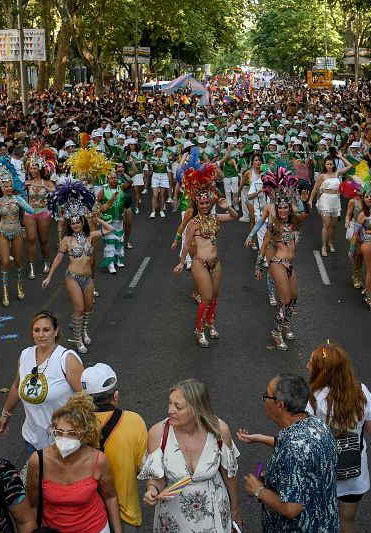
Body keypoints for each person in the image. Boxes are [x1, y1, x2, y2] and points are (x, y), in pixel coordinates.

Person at [139, 378, 242, 532]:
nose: (170, 410)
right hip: (173, 520)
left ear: (197, 409)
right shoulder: (158, 433)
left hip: (214, 513)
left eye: (178, 406)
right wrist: (152, 489)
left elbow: (229, 474)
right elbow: (156, 478)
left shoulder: (219, 431)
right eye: (170, 403)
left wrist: (235, 509)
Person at [243, 373, 338, 532]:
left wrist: (257, 489)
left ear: (279, 405)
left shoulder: (292, 448)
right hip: (324, 523)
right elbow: (308, 471)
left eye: (267, 395)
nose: (264, 399)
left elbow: (291, 508)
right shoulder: (318, 425)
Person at [306, 342, 371, 533]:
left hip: (323, 474)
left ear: (322, 371)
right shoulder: (362, 392)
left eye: (311, 363)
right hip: (353, 474)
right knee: (347, 523)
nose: (307, 366)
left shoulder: (312, 400)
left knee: (321, 521)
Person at [26, 393, 122, 533]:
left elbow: (111, 497)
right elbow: (32, 505)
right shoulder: (38, 461)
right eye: (59, 432)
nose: (64, 438)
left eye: (72, 434)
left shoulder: (98, 460)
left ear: (84, 434)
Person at [0, 311, 84, 457]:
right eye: (36, 330)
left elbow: (87, 398)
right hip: (32, 440)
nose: (41, 334)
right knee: (38, 479)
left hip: (64, 442)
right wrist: (5, 414)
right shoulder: (25, 355)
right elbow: (17, 386)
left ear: (56, 331)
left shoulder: (67, 359)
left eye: (46, 330)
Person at [44, 180, 115, 353]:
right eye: (73, 222)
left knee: (89, 308)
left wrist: (97, 219)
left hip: (87, 277)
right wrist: (49, 276)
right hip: (72, 277)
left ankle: (83, 331)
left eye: (78, 221)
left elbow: (110, 229)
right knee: (79, 308)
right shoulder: (67, 240)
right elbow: (59, 258)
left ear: (83, 222)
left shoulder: (91, 236)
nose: (75, 224)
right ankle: (77, 340)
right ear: (70, 224)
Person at [174, 160, 239, 347]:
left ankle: (211, 323)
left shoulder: (215, 218)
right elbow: (187, 245)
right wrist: (180, 262)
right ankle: (199, 329)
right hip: (200, 262)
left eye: (206, 202)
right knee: (207, 297)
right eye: (201, 203)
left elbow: (234, 217)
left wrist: (227, 206)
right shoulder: (193, 222)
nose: (204, 205)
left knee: (215, 296)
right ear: (197, 203)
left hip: (215, 262)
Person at [81, 363, 147, 533]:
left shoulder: (72, 426)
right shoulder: (134, 421)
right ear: (115, 395)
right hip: (125, 514)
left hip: (86, 514)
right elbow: (143, 468)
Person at [252, 167, 308, 349]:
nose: (283, 210)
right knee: (284, 299)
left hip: (290, 264)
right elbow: (263, 247)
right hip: (277, 263)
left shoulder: (294, 222)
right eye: (280, 207)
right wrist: (259, 267)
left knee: (294, 297)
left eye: (285, 207)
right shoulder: (273, 226)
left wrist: (303, 201)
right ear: (276, 208)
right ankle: (276, 332)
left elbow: (305, 213)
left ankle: (285, 324)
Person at [0, 155, 37, 307]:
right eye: (5, 186)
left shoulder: (18, 199)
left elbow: (32, 210)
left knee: (17, 261)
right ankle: (4, 292)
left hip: (17, 232)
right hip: (2, 232)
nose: (8, 188)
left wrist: (26, 198)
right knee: (4, 261)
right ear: (1, 188)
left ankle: (18, 285)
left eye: (10, 185)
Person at [23, 143, 57, 280]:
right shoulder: (27, 183)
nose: (32, 170)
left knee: (43, 240)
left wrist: (42, 185)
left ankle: (46, 261)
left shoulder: (47, 182)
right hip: (30, 212)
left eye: (34, 168)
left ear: (40, 169)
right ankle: (31, 267)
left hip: (44, 212)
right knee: (31, 239)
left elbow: (55, 192)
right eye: (31, 168)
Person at [309, 155, 352, 256]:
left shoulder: (337, 173)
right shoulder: (322, 176)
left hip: (335, 200)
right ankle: (323, 246)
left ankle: (331, 243)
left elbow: (349, 165)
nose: (329, 166)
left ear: (333, 165)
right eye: (327, 164)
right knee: (326, 224)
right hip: (325, 199)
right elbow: (315, 189)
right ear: (325, 165)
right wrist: (310, 201)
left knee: (334, 225)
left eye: (331, 164)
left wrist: (341, 157)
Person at [96, 172, 131, 274]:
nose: (114, 179)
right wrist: (103, 209)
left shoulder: (121, 187)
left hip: (119, 219)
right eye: (111, 178)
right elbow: (96, 203)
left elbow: (130, 182)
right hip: (108, 221)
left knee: (119, 240)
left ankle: (119, 259)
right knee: (110, 242)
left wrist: (122, 174)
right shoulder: (103, 190)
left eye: (115, 178)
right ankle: (110, 264)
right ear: (108, 179)